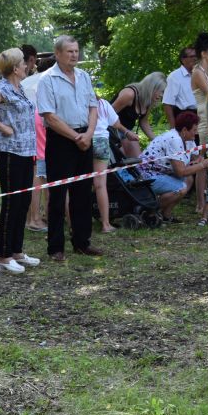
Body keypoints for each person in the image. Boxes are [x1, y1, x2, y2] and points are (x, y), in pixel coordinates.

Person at [36, 35, 101, 261]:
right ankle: (56, 247)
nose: (74, 55)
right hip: (61, 140)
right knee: (57, 194)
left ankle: (82, 242)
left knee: (83, 192)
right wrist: (75, 137)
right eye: (70, 51)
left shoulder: (84, 76)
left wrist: (88, 134)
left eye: (76, 51)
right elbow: (49, 116)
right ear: (58, 54)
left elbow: (93, 107)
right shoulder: (47, 79)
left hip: (85, 136)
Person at [0, 47, 40, 274]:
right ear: (15, 68)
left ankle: (17, 251)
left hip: (26, 151)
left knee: (23, 201)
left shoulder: (19, 88)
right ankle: (4, 256)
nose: (27, 65)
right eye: (23, 63)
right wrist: (2, 127)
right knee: (12, 202)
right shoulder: (1, 88)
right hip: (9, 152)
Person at [137, 111, 208, 220]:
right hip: (147, 175)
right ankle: (148, 210)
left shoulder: (188, 140)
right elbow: (181, 172)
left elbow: (195, 158)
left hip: (161, 172)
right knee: (181, 188)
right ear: (184, 130)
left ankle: (166, 214)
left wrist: (201, 158)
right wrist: (202, 164)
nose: (196, 133)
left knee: (188, 179)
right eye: (194, 130)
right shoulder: (174, 139)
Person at [93, 99, 140, 233]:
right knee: (100, 185)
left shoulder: (77, 102)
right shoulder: (102, 103)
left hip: (82, 140)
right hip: (101, 142)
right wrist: (127, 132)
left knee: (79, 183)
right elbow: (116, 123)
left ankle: (75, 223)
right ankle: (105, 224)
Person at [191, 33, 208, 213]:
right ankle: (200, 202)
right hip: (202, 119)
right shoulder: (198, 72)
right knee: (201, 161)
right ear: (203, 54)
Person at [111, 72, 166, 157]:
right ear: (152, 87)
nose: (161, 95)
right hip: (111, 130)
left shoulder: (149, 100)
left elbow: (144, 122)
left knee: (138, 160)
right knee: (122, 159)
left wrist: (157, 141)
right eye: (161, 91)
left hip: (126, 131)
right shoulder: (129, 94)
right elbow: (108, 115)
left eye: (163, 92)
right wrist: (126, 132)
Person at [162, 47, 198, 128]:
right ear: (183, 59)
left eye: (197, 56)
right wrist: (173, 128)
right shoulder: (174, 77)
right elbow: (167, 103)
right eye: (192, 56)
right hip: (185, 119)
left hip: (201, 117)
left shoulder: (200, 74)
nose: (195, 59)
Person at [25, 111, 48, 232]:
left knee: (34, 187)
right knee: (39, 188)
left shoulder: (33, 111)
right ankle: (35, 220)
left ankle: (31, 219)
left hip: (34, 153)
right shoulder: (43, 113)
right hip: (41, 155)